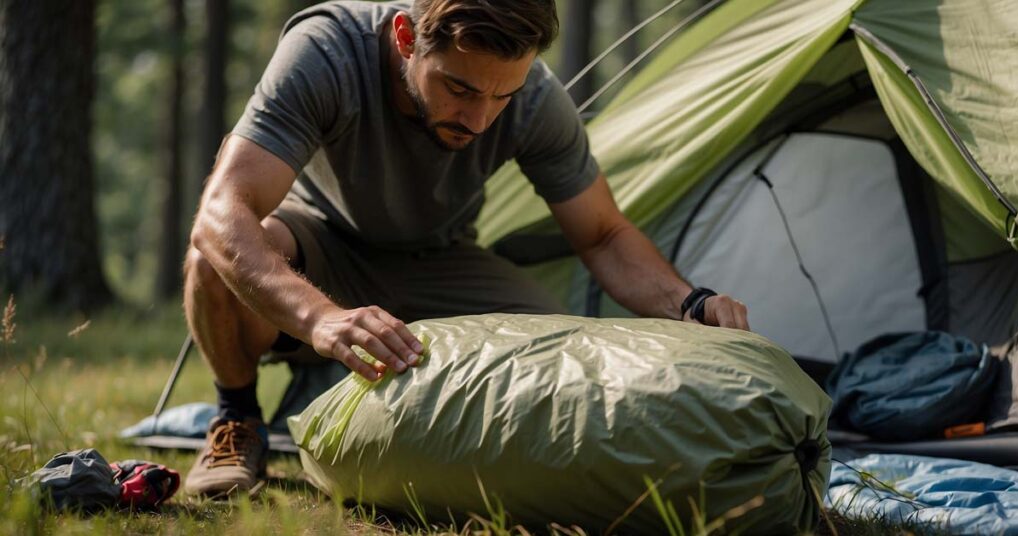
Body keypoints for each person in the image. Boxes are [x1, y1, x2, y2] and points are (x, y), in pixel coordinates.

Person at [182, 0, 750, 496]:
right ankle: (239, 421)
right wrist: (321, 318)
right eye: (460, 88)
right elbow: (220, 213)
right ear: (407, 39)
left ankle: (340, 390)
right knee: (211, 259)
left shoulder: (535, 102)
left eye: (504, 94)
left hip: (443, 261)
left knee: (563, 357)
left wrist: (689, 303)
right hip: (321, 245)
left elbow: (603, 235)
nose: (480, 119)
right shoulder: (327, 50)